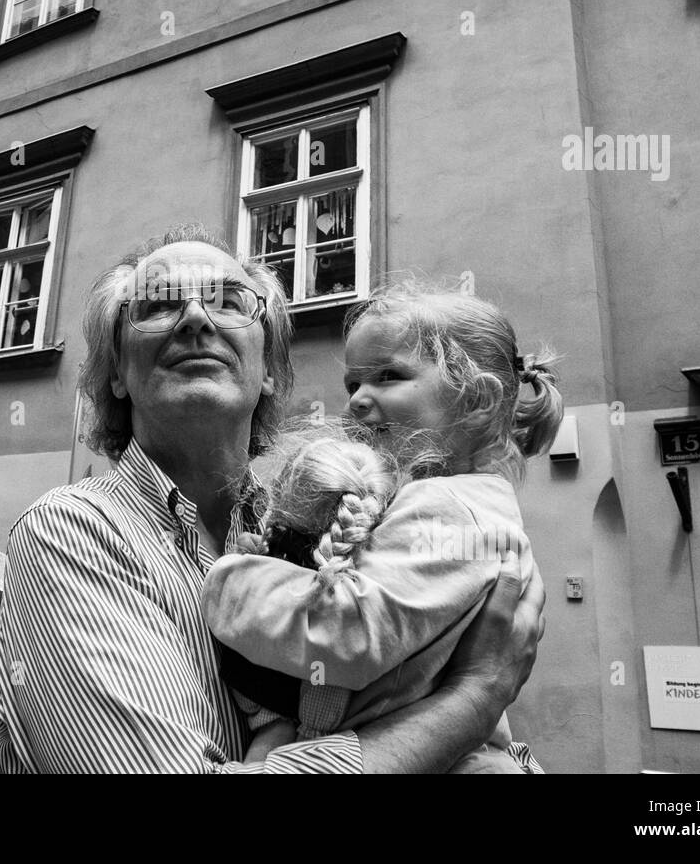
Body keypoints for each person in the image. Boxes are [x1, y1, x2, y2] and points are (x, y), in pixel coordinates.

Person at [0, 227, 546, 773]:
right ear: (118, 375)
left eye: (228, 301)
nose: (196, 318)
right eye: (157, 307)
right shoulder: (71, 532)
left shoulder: (329, 512)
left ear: (269, 372)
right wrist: (474, 699)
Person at [201, 280, 564, 772]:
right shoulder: (434, 500)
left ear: (476, 398)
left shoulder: (450, 509)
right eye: (353, 384)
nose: (357, 400)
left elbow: (350, 635)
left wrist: (233, 579)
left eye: (388, 376)